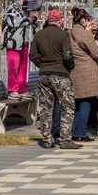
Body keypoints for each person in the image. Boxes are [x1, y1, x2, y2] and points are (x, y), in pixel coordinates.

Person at [30, 10, 80, 149]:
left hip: (44, 75)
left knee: (46, 108)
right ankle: (65, 140)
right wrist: (70, 67)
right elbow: (67, 55)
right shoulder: (63, 35)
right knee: (67, 106)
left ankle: (47, 140)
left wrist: (43, 65)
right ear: (60, 21)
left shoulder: (39, 35)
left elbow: (32, 55)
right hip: (60, 75)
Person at [68, 7, 98, 142]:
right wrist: (96, 44)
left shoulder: (69, 33)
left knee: (77, 103)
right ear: (83, 19)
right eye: (87, 19)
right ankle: (80, 132)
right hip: (88, 71)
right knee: (86, 103)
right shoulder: (85, 34)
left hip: (75, 70)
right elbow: (96, 54)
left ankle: (74, 130)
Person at [1, 0, 37, 100]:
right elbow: (13, 22)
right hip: (14, 43)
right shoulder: (11, 9)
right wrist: (28, 20)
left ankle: (22, 88)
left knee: (24, 68)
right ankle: (13, 89)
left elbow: (33, 24)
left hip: (25, 42)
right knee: (13, 68)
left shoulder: (26, 11)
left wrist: (33, 19)